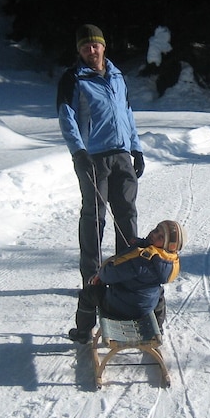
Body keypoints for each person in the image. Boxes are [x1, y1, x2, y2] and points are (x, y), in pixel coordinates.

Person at [57, 24, 146, 290]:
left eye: (95, 45)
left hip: (121, 155)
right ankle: (92, 279)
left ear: (103, 46)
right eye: (85, 47)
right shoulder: (74, 78)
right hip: (92, 158)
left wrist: (136, 148)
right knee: (94, 217)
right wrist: (78, 151)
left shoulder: (117, 76)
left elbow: (127, 113)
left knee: (126, 214)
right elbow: (67, 117)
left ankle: (125, 275)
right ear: (80, 51)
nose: (91, 50)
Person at [70, 219, 186, 343]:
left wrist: (102, 274)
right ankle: (158, 328)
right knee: (158, 292)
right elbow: (151, 247)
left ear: (168, 245)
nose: (154, 234)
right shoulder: (167, 261)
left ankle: (83, 334)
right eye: (156, 230)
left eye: (161, 237)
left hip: (121, 309)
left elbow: (109, 275)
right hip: (145, 308)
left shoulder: (141, 261)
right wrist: (139, 242)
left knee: (88, 294)